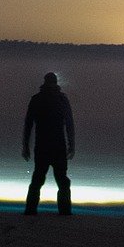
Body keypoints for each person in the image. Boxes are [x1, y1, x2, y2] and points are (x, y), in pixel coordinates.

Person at [21, 71, 75, 215]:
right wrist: (72, 144)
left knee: (39, 179)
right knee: (60, 180)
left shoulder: (37, 99)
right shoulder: (61, 99)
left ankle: (30, 210)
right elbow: (69, 123)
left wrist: (25, 145)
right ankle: (64, 212)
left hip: (44, 145)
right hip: (57, 146)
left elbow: (28, 124)